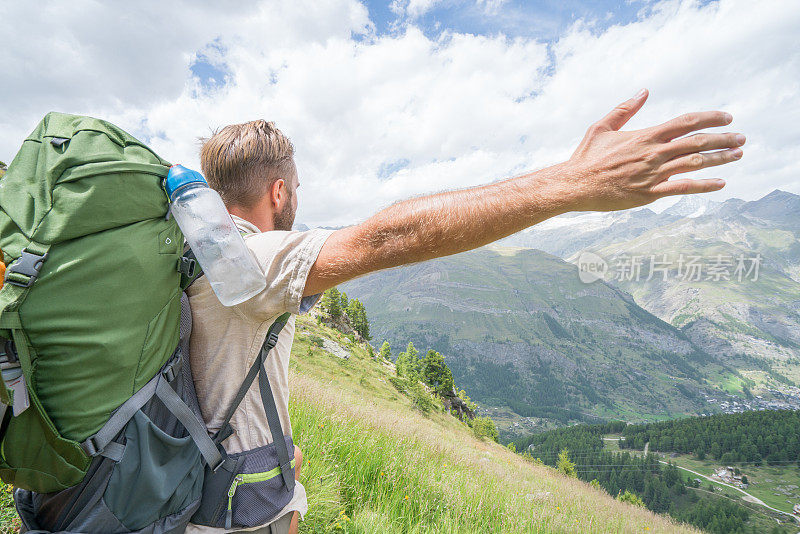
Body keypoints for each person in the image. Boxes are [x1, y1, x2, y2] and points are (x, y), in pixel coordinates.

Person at [185, 88, 745, 534]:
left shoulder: (190, 257)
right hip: (233, 516)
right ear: (279, 192)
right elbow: (384, 238)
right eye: (298, 189)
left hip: (210, 488)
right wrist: (574, 182)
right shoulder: (249, 262)